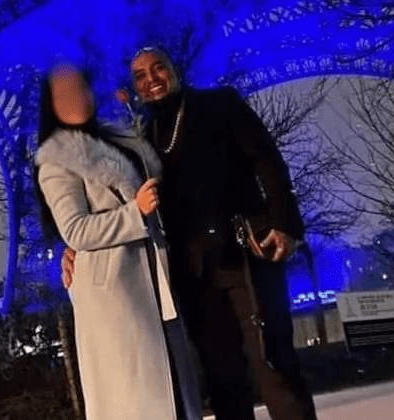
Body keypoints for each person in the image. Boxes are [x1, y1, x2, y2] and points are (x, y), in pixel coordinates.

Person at [63, 47, 318, 420]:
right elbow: (112, 203)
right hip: (193, 273)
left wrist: (285, 223)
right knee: (223, 379)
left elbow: (267, 161)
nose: (151, 79)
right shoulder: (141, 139)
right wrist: (75, 247)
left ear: (174, 70)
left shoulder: (220, 105)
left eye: (158, 69)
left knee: (274, 365)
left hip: (245, 252)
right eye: (140, 75)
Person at [35, 62, 199, 420]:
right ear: (51, 103)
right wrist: (135, 214)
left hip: (155, 284)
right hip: (118, 296)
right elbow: (75, 230)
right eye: (66, 91)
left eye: (81, 86)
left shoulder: (114, 138)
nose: (79, 96)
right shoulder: (57, 160)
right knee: (141, 400)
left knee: (177, 394)